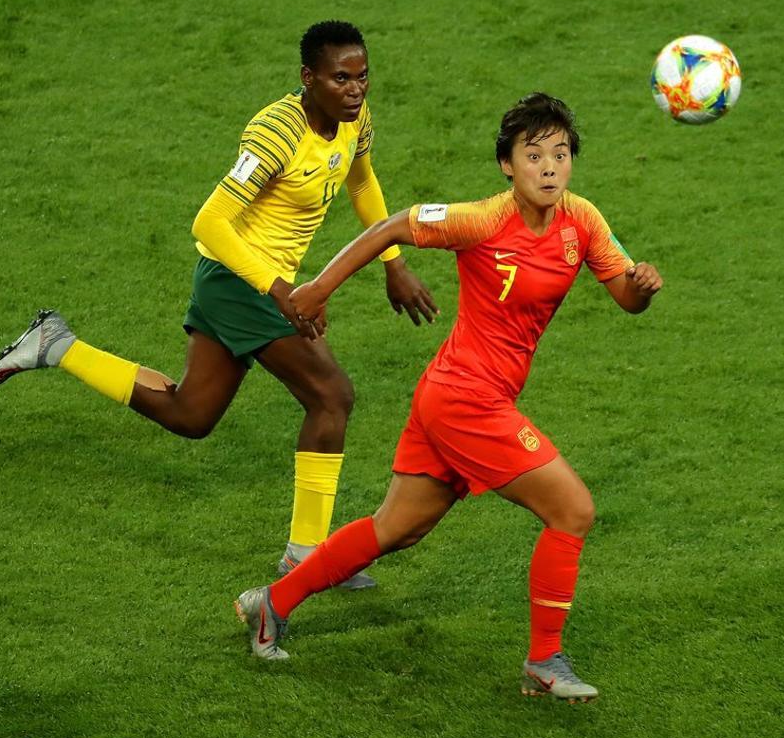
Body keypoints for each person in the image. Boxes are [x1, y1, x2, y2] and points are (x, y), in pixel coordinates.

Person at [234, 92, 663, 702]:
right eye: (533, 154)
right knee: (573, 511)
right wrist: (319, 288)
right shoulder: (484, 220)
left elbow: (625, 295)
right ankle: (545, 663)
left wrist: (642, 285)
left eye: (560, 155)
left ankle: (270, 604)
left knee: (397, 529)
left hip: (453, 394)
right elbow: (395, 224)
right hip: (468, 401)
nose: (548, 167)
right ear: (506, 165)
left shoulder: (582, 222)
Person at [0, 20, 438, 588]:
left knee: (190, 415)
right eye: (340, 78)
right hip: (238, 280)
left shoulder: (354, 122)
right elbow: (210, 221)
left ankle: (57, 345)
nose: (355, 89)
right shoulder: (276, 133)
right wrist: (280, 290)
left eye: (362, 76)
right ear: (308, 78)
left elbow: (361, 183)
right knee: (332, 396)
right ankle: (306, 555)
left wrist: (393, 263)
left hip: (255, 286)